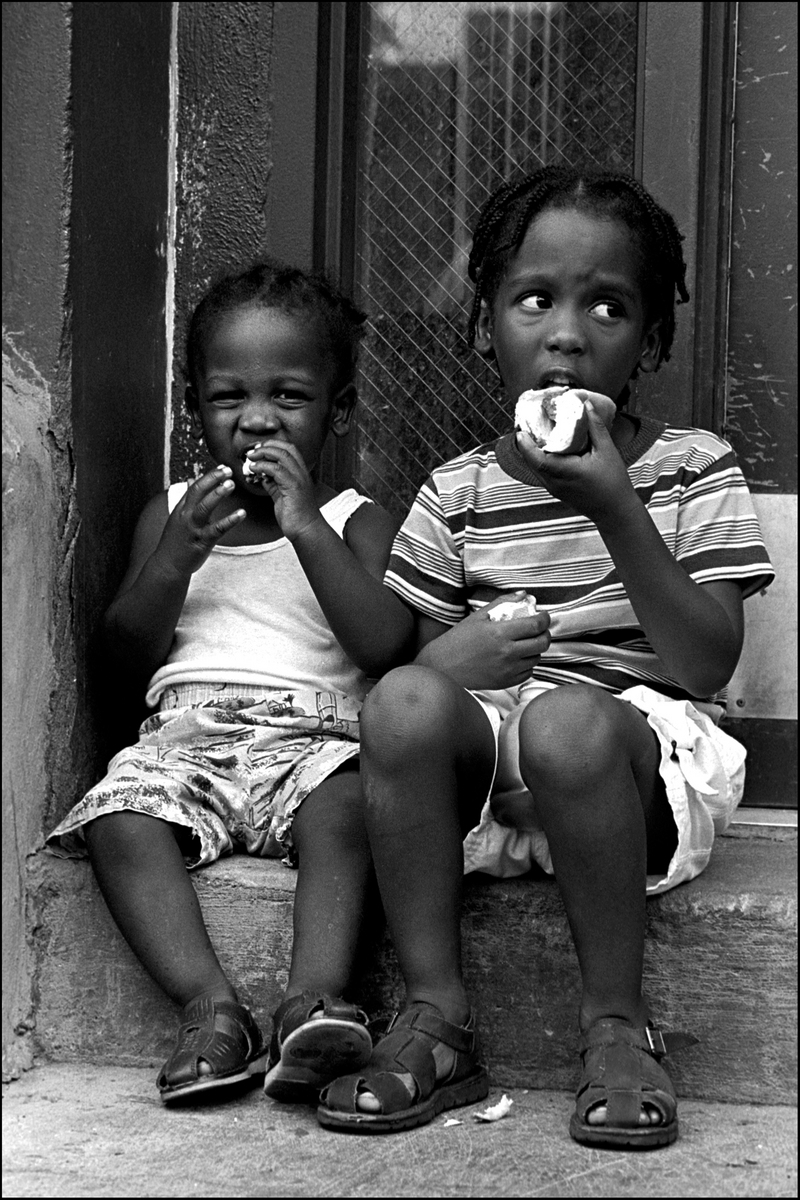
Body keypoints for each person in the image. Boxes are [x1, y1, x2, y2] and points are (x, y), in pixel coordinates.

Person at [315, 165, 774, 1147]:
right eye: (534, 299)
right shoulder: (458, 492)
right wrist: (459, 656)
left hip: (641, 760)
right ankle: (435, 1017)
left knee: (566, 723)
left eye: (605, 306)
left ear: (647, 339)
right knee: (400, 701)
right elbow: (405, 690)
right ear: (486, 324)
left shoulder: (690, 467)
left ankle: (614, 1022)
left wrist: (614, 503)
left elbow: (703, 662)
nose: (565, 333)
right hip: (498, 775)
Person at [46, 260, 414, 1104]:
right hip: (188, 738)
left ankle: (312, 1001)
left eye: (288, 397)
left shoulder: (355, 520)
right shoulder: (172, 510)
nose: (256, 421)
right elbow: (125, 650)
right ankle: (211, 1009)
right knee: (118, 817)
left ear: (339, 411)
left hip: (313, 741)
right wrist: (178, 551)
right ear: (194, 411)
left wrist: (306, 529)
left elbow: (387, 644)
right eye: (227, 399)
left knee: (357, 806)